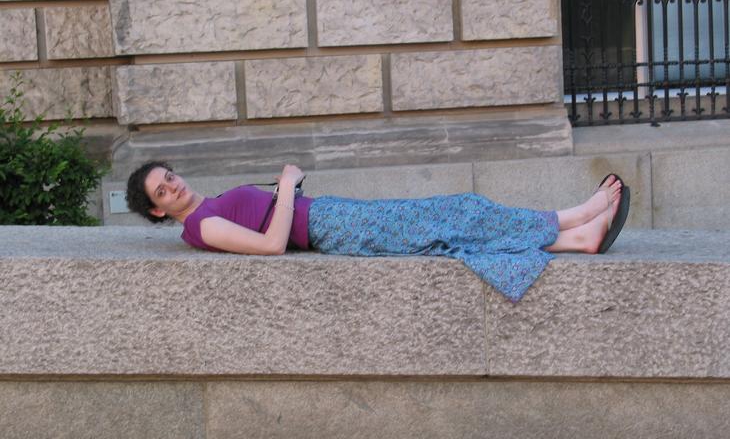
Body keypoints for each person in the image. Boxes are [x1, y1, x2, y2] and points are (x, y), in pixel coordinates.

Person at [126, 161, 630, 301]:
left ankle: (575, 240)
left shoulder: (205, 210)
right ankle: (571, 217)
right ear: (157, 211)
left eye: (168, 176)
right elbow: (271, 246)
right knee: (461, 210)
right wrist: (285, 186)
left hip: (333, 217)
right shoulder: (202, 225)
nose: (173, 186)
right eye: (162, 192)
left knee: (448, 231)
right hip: (332, 227)